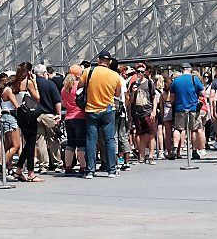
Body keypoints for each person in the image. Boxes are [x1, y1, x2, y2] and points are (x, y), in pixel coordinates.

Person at [77, 50, 122, 179]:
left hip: (91, 110)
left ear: (98, 60)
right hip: (108, 110)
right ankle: (111, 170)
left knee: (91, 140)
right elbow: (117, 94)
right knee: (109, 140)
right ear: (109, 62)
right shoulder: (114, 75)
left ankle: (90, 170)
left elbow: (79, 86)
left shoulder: (88, 71)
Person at [170, 63, 205, 159]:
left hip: (180, 108)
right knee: (193, 130)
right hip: (193, 108)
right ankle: (194, 151)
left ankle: (175, 148)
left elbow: (172, 98)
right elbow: (203, 93)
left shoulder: (176, 80)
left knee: (178, 128)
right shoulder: (194, 79)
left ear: (182, 69)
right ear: (190, 69)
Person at [33, 64, 63, 174]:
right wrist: (58, 114)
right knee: (53, 139)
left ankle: (43, 165)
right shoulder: (50, 84)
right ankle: (57, 163)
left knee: (40, 141)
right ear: (45, 72)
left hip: (36, 115)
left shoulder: (33, 85)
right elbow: (57, 101)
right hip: (49, 115)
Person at [129, 63, 158, 164]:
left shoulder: (149, 83)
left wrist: (154, 110)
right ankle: (141, 156)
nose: (140, 73)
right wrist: (132, 92)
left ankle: (151, 155)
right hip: (138, 113)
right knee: (141, 135)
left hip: (148, 111)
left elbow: (154, 98)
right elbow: (131, 101)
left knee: (151, 135)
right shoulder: (134, 84)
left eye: (142, 72)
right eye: (138, 72)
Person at [60, 72, 85, 175]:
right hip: (79, 116)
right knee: (81, 143)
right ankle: (83, 167)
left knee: (70, 143)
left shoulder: (63, 89)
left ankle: (68, 167)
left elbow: (63, 104)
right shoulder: (78, 86)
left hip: (68, 117)